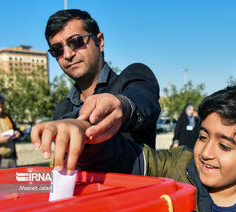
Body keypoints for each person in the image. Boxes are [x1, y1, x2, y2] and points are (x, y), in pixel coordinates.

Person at [31, 83, 236, 212]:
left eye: (224, 145)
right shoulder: (175, 168)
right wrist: (87, 136)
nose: (206, 152)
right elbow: (127, 158)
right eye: (202, 136)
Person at [42, 9, 160, 174]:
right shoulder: (62, 111)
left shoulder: (132, 77)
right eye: (57, 49)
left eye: (76, 42)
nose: (67, 54)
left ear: (100, 41)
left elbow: (142, 100)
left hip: (137, 196)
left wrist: (121, 106)